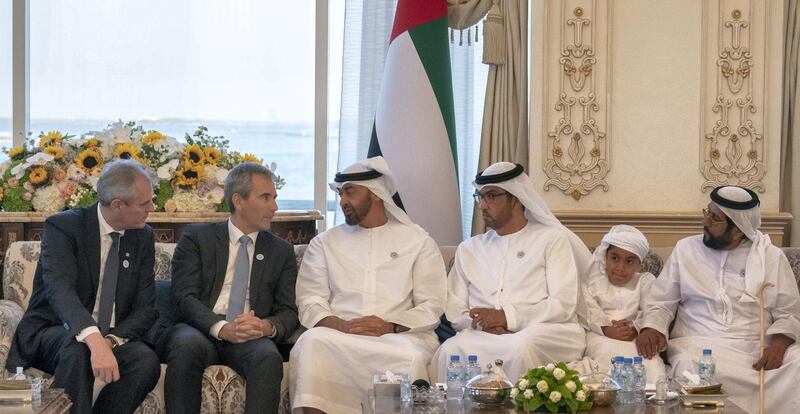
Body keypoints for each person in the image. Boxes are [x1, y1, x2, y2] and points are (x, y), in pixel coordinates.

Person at [290, 156, 446, 414]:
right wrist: (342, 325)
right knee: (312, 343)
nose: (342, 201)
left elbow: (432, 303)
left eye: (350, 193)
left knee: (412, 356)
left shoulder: (418, 241)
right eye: (340, 194)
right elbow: (309, 299)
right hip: (339, 335)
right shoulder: (325, 243)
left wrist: (391, 325)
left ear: (375, 194)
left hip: (399, 337)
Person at [6, 160, 161, 414]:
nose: (152, 209)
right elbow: (59, 290)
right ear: (118, 205)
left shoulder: (142, 236)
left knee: (145, 360)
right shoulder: (63, 227)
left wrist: (108, 341)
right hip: (55, 330)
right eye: (145, 204)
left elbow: (146, 309)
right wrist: (93, 339)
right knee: (78, 348)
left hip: (110, 335)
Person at [636, 185, 800, 413]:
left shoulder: (771, 257)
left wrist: (778, 347)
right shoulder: (686, 249)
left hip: (757, 347)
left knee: (798, 364)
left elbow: (789, 312)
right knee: (687, 366)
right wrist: (651, 328)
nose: (705, 222)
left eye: (715, 219)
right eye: (707, 213)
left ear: (738, 230)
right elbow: (661, 301)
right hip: (697, 344)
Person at [429, 162, 592, 383]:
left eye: (491, 196)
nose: (483, 206)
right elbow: (456, 308)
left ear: (515, 198)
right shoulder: (469, 248)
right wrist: (484, 324)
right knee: (451, 350)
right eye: (480, 197)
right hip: (482, 333)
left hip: (544, 330)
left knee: (520, 347)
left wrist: (507, 317)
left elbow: (562, 305)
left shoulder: (551, 240)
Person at [159, 162, 298, 413]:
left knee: (267, 357)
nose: (274, 207)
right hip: (200, 328)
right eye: (265, 197)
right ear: (238, 200)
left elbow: (288, 310)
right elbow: (184, 297)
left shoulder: (281, 251)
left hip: (249, 334)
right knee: (185, 346)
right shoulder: (196, 238)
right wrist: (222, 328)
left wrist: (266, 326)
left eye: (274, 198)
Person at [578, 225, 665, 380]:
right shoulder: (592, 280)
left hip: (635, 339)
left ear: (639, 263)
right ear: (606, 256)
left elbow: (653, 309)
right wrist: (606, 329)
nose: (620, 268)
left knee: (648, 362)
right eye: (615, 258)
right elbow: (588, 310)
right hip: (600, 336)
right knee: (606, 357)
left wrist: (636, 329)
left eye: (629, 262)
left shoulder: (645, 281)